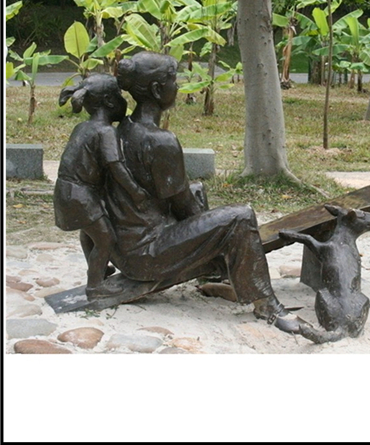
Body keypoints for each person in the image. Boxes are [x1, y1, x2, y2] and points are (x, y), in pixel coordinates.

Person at [104, 51, 304, 334]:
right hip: (144, 256)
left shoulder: (124, 128)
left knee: (198, 189)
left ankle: (218, 270)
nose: (177, 87)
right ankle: (266, 304)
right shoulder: (160, 141)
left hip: (122, 248)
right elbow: (184, 206)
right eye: (173, 81)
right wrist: (217, 236)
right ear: (158, 89)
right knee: (240, 217)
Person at [54, 74, 149, 299]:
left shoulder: (82, 127)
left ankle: (97, 268)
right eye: (119, 96)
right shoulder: (106, 131)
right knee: (105, 238)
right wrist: (136, 192)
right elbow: (116, 167)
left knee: (89, 231)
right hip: (80, 194)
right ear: (109, 101)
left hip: (65, 190)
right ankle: (95, 286)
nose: (123, 101)